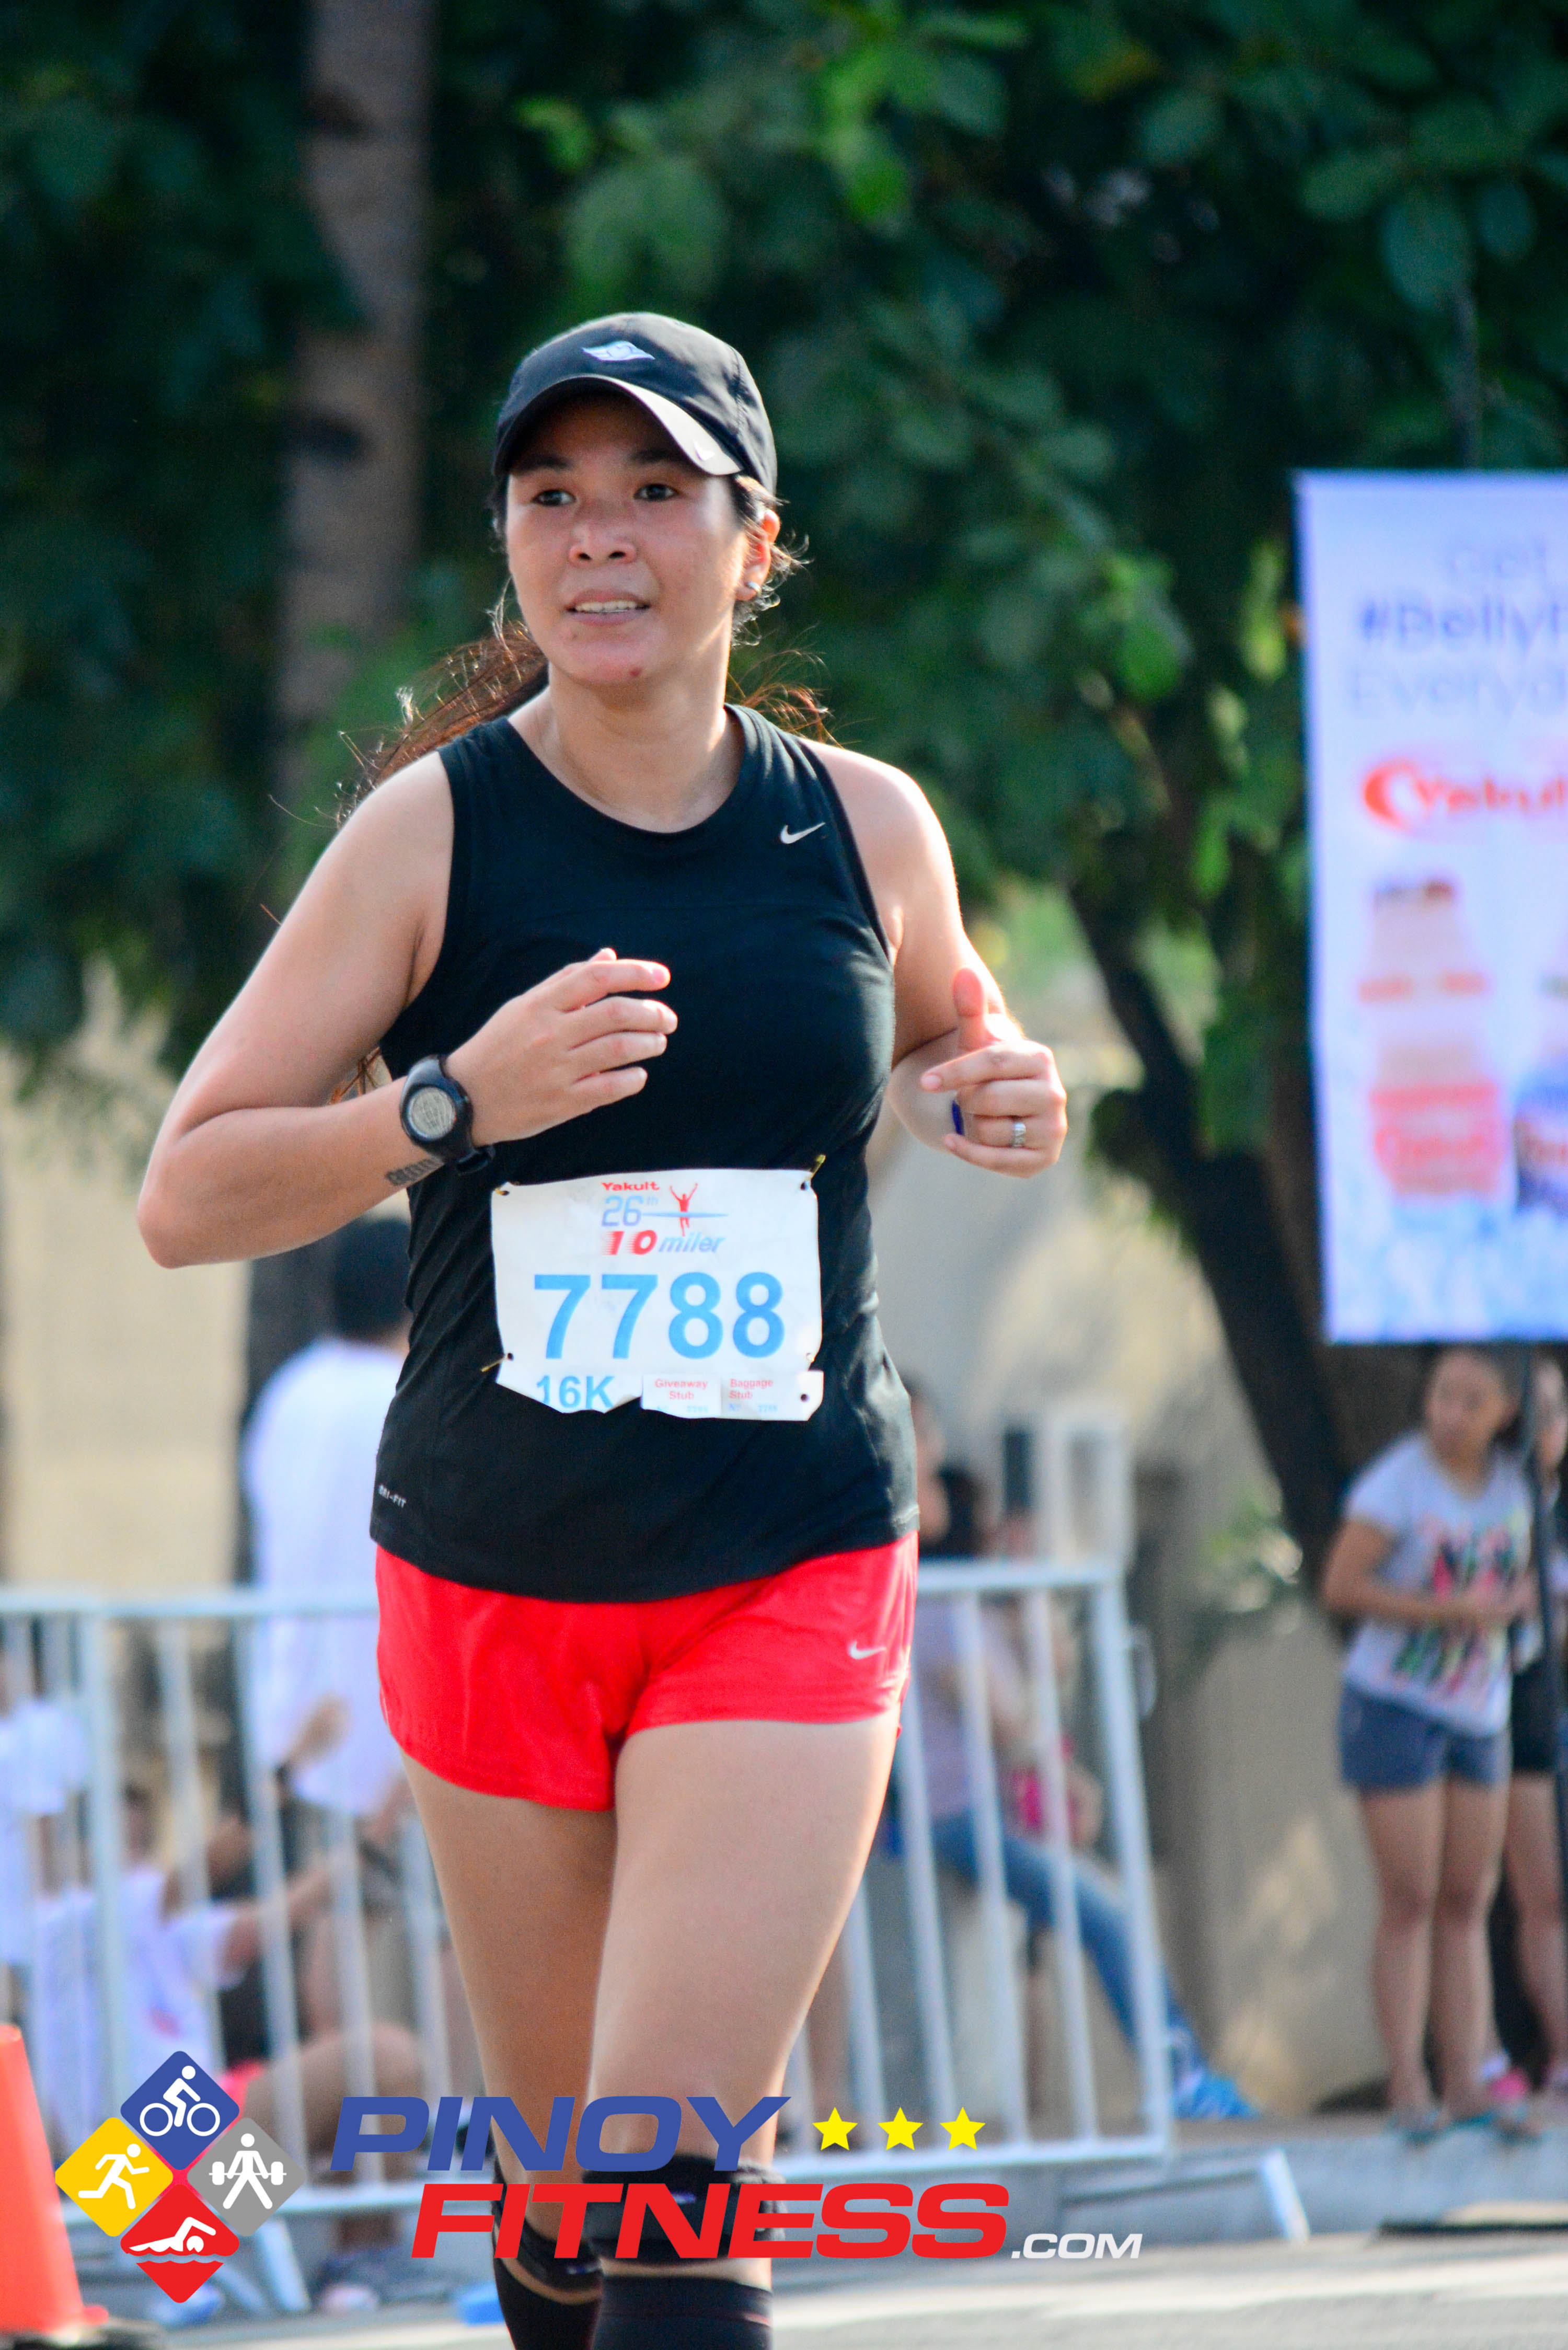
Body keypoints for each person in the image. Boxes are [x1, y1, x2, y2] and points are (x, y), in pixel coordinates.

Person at [135, 311, 1069, 2350]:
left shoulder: (868, 826)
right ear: (508, 541)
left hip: (787, 1552)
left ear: (755, 542)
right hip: (499, 1567)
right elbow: (184, 1192)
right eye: (553, 495)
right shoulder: (432, 834)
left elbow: (954, 1025)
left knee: (670, 2194)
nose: (600, 537)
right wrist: (448, 1104)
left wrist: (994, 1081)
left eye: (656, 490)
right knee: (566, 2212)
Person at [902, 1389, 1254, 2121]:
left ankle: (1127, 2090)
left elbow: (1055, 1660)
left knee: (1063, 1944)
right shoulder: (933, 1605)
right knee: (1108, 1918)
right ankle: (1179, 2080)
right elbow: (1003, 1724)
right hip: (958, 1815)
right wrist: (1067, 1779)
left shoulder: (976, 1601)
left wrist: (1025, 1579)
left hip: (994, 1811)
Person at [1321, 1344, 1538, 2139]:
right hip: (1397, 1702)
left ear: (1504, 1411)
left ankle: (1468, 2079)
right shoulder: (1398, 1484)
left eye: (1471, 1401)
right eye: (1443, 1395)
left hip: (1479, 1705)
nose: (1450, 1413)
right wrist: (1451, 1613)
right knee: (1410, 1898)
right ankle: (1408, 2085)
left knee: (1467, 1899)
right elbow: (1343, 1586)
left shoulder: (1516, 1485)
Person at [1498, 1354, 1568, 2098]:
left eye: (1554, 1411)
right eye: (1528, 1413)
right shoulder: (1489, 1508)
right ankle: (1560, 2052)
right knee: (1541, 1893)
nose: (1542, 1429)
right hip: (1514, 1712)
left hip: (1555, 1703)